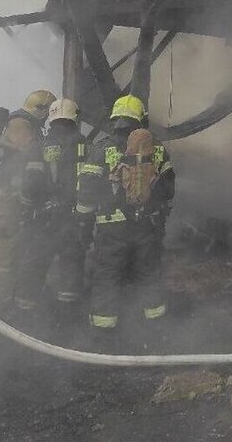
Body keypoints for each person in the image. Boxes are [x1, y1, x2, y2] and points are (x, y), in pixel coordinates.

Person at [77, 95, 174, 351]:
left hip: (110, 230)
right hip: (146, 228)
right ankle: (156, 336)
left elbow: (86, 191)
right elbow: (169, 189)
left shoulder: (101, 148)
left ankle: (102, 340)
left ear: (115, 119)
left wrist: (83, 225)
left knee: (107, 280)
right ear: (140, 118)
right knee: (150, 279)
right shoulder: (158, 148)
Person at [13, 98, 90, 332]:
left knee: (34, 267)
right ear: (76, 118)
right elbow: (93, 186)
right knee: (71, 268)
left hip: (43, 221)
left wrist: (29, 209)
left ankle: (24, 322)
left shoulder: (40, 146)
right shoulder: (86, 147)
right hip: (74, 220)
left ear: (52, 118)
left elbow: (30, 186)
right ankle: (67, 323)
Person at [0, 89, 55, 313]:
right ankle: (0, 297)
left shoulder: (26, 123)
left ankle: (11, 294)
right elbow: (29, 153)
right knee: (7, 245)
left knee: (17, 243)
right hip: (11, 195)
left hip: (16, 194)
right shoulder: (21, 123)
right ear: (41, 109)